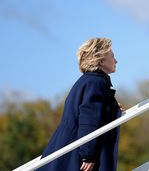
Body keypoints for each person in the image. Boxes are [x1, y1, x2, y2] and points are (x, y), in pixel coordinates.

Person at [37, 38, 122, 171]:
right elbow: (89, 119)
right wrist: (88, 154)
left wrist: (113, 109)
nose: (116, 60)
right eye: (112, 56)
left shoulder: (86, 81)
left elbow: (91, 113)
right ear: (100, 60)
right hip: (75, 158)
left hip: (64, 152)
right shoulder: (96, 83)